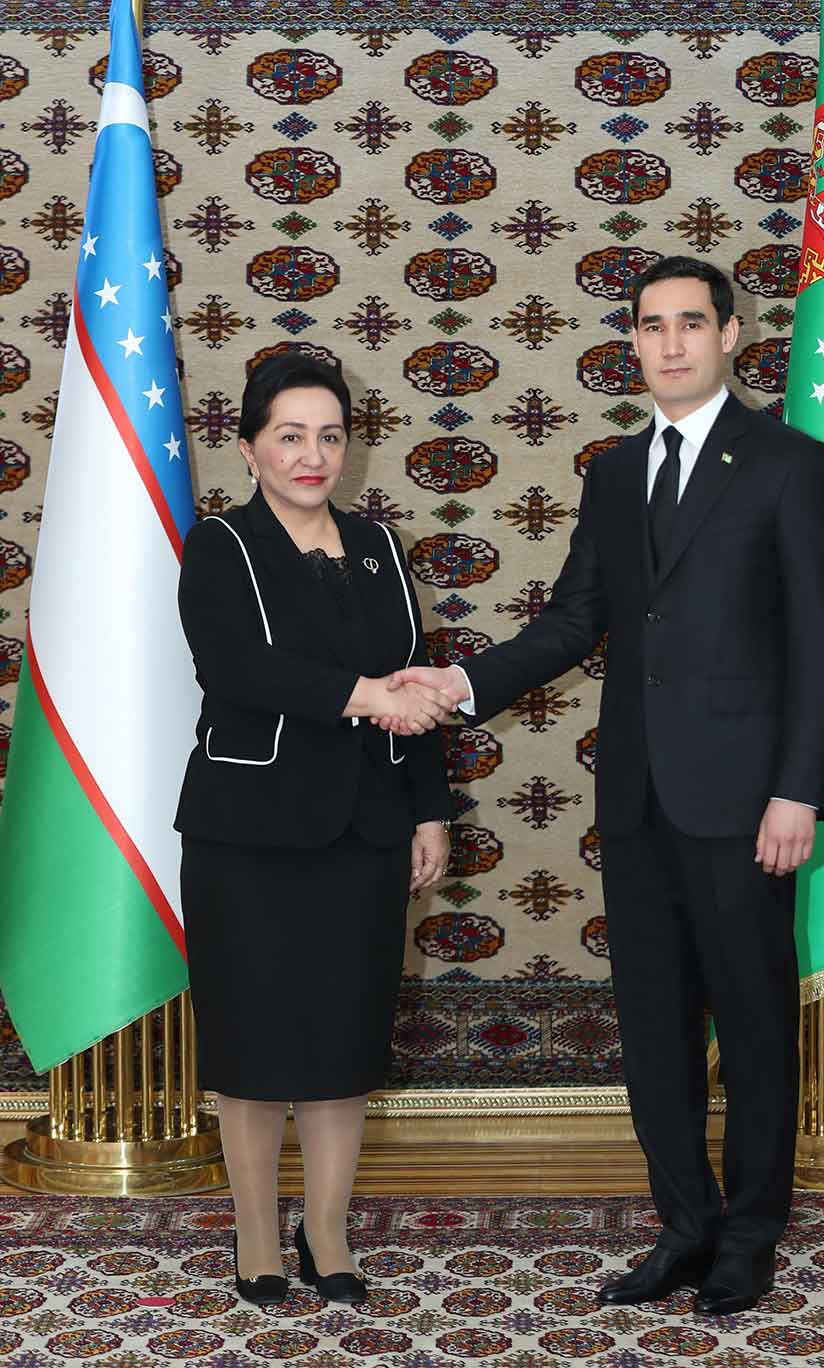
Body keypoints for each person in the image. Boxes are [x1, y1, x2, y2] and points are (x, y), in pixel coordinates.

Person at [381, 257, 824, 1315]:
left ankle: (749, 1237)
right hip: (636, 796)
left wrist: (799, 790)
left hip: (745, 802)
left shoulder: (789, 464)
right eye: (650, 326)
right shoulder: (613, 471)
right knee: (652, 1025)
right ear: (632, 342)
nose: (669, 343)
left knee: (755, 1023)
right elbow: (572, 620)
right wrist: (461, 683)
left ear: (731, 336)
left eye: (690, 323)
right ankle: (683, 1228)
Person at [174, 353, 453, 1307]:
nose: (312, 455)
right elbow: (237, 668)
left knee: (343, 1046)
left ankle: (326, 1233)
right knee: (253, 1048)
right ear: (249, 448)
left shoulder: (378, 545)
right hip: (248, 834)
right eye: (289, 436)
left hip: (366, 830)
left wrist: (429, 809)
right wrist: (365, 695)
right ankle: (256, 1235)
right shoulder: (220, 545)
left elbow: (416, 679)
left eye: (329, 436)